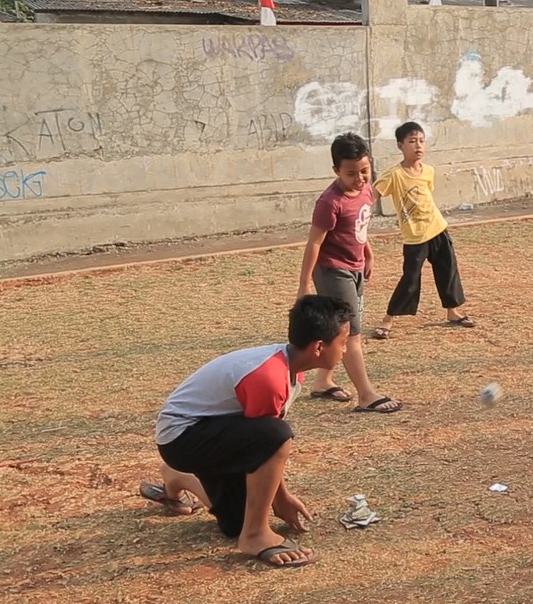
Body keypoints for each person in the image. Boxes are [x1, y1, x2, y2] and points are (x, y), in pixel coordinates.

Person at [143, 295, 352, 567]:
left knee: (234, 524)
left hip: (208, 432)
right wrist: (280, 498)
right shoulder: (269, 377)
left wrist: (280, 498)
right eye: (343, 343)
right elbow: (266, 443)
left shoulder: (290, 367)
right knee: (277, 435)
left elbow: (257, 445)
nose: (345, 350)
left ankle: (179, 478)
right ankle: (255, 536)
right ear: (319, 347)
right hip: (184, 438)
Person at [297, 133, 401, 414]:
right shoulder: (330, 202)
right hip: (333, 271)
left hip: (354, 268)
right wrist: (304, 284)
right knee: (351, 334)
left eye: (365, 170)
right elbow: (315, 242)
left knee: (337, 333)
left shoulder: (367, 190)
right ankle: (366, 395)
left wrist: (367, 253)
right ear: (336, 171)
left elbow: (360, 227)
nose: (360, 178)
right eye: (351, 173)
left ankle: (322, 382)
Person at [371, 122, 475, 337]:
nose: (418, 146)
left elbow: (427, 195)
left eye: (421, 141)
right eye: (411, 141)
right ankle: (388, 320)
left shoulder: (428, 171)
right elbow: (372, 196)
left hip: (438, 229)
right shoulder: (394, 175)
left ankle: (452, 312)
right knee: (410, 278)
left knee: (448, 271)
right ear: (400, 145)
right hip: (415, 237)